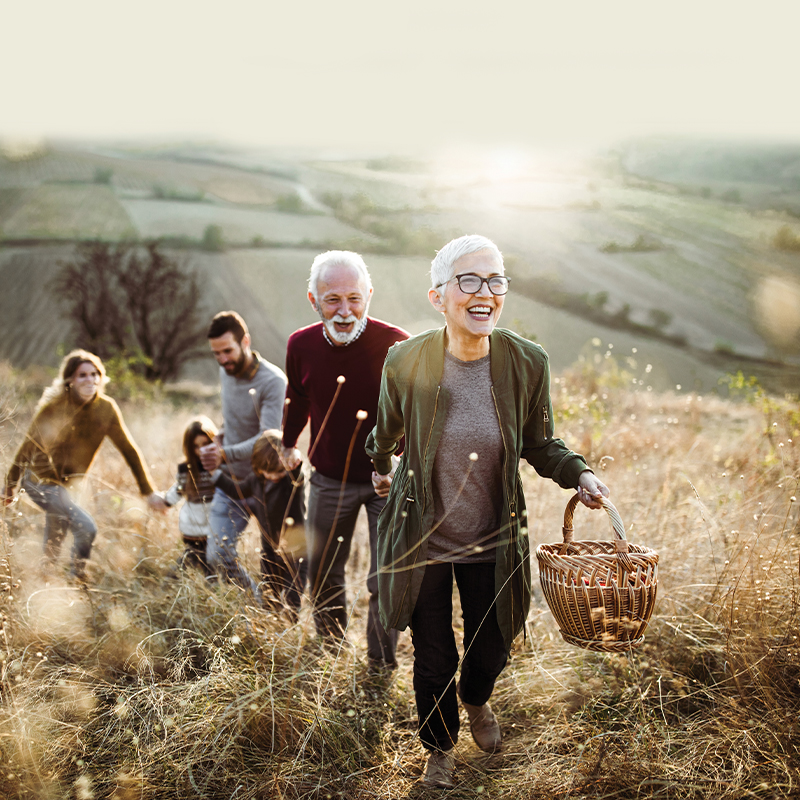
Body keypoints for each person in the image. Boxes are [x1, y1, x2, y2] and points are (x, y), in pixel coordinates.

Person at [365, 234, 610, 788]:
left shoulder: (526, 362)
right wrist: (379, 463)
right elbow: (386, 430)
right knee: (433, 657)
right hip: (421, 536)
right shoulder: (407, 359)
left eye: (495, 280)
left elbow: (540, 443)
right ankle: (439, 749)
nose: (485, 292)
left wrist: (581, 474)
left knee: (492, 643)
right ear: (439, 296)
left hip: (492, 537)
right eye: (469, 280)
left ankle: (476, 699)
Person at [281, 250, 408, 668]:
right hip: (328, 479)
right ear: (312, 300)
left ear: (369, 295)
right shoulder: (300, 345)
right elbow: (297, 400)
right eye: (332, 299)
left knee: (385, 578)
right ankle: (332, 651)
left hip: (385, 481)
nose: (344, 310)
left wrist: (400, 467)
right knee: (323, 572)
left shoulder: (396, 345)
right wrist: (287, 443)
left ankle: (380, 665)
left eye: (354, 298)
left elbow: (417, 414)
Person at [2, 349, 165, 581]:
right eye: (83, 375)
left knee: (55, 538)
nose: (91, 380)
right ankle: (76, 578)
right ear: (70, 380)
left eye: (95, 374)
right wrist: (10, 485)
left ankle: (45, 583)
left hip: (70, 486)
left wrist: (148, 492)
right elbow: (27, 447)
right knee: (86, 528)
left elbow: (129, 450)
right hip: (40, 482)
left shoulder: (106, 409)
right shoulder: (54, 408)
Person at [199, 311, 287, 598]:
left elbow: (268, 439)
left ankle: (275, 617)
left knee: (278, 564)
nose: (223, 360)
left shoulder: (272, 381)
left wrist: (223, 454)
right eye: (216, 354)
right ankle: (256, 601)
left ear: (245, 341)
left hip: (267, 485)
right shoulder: (226, 372)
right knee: (216, 555)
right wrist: (219, 439)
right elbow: (231, 420)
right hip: (231, 483)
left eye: (228, 351)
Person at [213, 429, 307, 617]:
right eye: (268, 473)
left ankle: (288, 634)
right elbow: (237, 490)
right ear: (257, 466)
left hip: (295, 552)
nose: (274, 477)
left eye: (279, 472)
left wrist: (294, 460)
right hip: (269, 551)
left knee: (291, 598)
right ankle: (271, 628)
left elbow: (298, 474)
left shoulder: (291, 482)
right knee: (269, 595)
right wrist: (215, 475)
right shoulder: (257, 480)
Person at [164, 416, 219, 574]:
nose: (201, 450)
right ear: (189, 448)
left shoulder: (219, 466)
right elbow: (178, 489)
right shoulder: (186, 469)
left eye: (206, 444)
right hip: (192, 525)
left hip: (214, 523)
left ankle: (211, 587)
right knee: (193, 557)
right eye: (196, 446)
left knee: (212, 561)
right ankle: (173, 580)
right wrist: (166, 501)